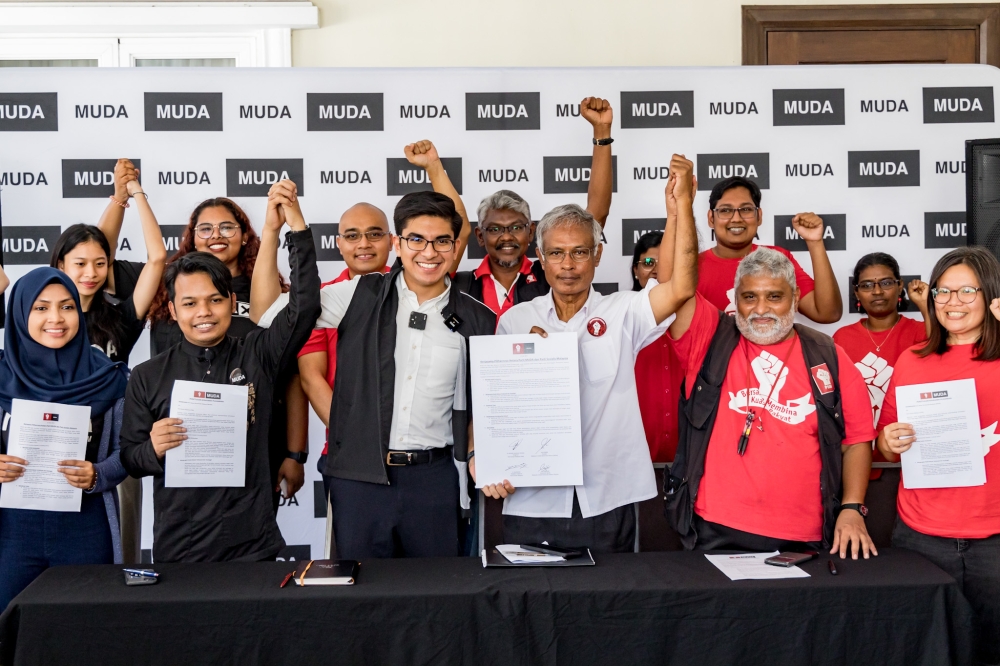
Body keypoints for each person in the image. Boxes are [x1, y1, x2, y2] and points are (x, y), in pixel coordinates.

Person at [252, 191, 496, 559]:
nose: (429, 253)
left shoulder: (478, 319)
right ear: (398, 243)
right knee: (361, 600)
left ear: (454, 245)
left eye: (441, 241)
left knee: (436, 599)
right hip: (359, 478)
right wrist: (285, 231)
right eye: (417, 239)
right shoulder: (359, 294)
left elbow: (483, 405)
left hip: (435, 480)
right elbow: (273, 313)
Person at [476, 154, 698, 553]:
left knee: (610, 609)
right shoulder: (516, 321)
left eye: (580, 252)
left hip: (609, 498)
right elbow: (497, 407)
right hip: (532, 497)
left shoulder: (623, 311)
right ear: (540, 259)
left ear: (597, 256)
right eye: (557, 253)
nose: (568, 265)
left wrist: (681, 208)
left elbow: (680, 288)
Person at [118, 188, 320, 563]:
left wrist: (296, 226)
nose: (204, 312)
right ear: (173, 312)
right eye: (190, 303)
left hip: (252, 535)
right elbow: (130, 459)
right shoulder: (147, 376)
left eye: (214, 299)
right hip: (181, 539)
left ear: (231, 301)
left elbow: (305, 306)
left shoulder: (258, 352)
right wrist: (153, 448)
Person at [665, 244, 877, 559]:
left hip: (804, 537)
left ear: (794, 298)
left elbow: (857, 440)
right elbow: (674, 282)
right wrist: (679, 208)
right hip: (715, 529)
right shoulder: (709, 338)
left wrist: (852, 507)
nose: (761, 309)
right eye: (749, 297)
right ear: (735, 300)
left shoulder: (828, 354)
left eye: (774, 297)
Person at [876, 246, 1000, 665]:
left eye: (967, 291)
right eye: (942, 292)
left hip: (995, 540)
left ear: (990, 296)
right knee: (924, 652)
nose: (952, 302)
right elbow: (883, 442)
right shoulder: (911, 360)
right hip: (922, 536)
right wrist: (888, 441)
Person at [0, 268, 130, 609]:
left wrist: (98, 475)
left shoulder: (108, 378)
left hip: (85, 529)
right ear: (20, 312)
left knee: (84, 634)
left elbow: (127, 453)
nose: (55, 318)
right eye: (41, 308)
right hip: (10, 535)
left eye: (67, 306)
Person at [437, 97, 614, 316]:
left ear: (531, 232)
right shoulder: (460, 285)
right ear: (480, 236)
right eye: (494, 229)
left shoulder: (550, 274)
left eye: (516, 227)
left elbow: (597, 213)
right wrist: (434, 167)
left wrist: (602, 134)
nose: (506, 237)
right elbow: (455, 224)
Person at [295, 202, 392, 500]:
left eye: (374, 234)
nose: (363, 243)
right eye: (352, 236)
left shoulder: (419, 289)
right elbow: (312, 378)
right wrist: (356, 438)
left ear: (392, 240)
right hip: (347, 452)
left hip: (415, 452)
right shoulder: (321, 299)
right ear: (338, 244)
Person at [833, 253, 931, 480]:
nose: (877, 291)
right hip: (854, 461)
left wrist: (926, 306)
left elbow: (943, 359)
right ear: (856, 292)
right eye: (867, 285)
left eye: (886, 283)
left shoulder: (919, 331)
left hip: (911, 456)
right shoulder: (842, 338)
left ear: (900, 287)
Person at [52, 171, 166, 365]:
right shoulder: (46, 319)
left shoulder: (121, 318)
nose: (91, 273)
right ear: (61, 265)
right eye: (80, 263)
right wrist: (119, 197)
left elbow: (157, 258)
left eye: (100, 264)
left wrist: (137, 193)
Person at [698, 176, 842, 323]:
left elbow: (828, 314)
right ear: (711, 218)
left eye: (746, 209)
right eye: (726, 210)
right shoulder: (693, 267)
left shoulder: (777, 258)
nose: (736, 218)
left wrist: (815, 242)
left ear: (759, 216)